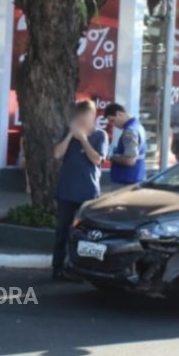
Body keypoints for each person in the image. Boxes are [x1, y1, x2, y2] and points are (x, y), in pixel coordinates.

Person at [52, 100, 108, 280]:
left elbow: (97, 159)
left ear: (93, 118)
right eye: (79, 119)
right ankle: (58, 267)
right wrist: (70, 136)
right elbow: (57, 154)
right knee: (62, 231)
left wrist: (84, 140)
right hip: (66, 191)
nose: (82, 122)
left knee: (85, 234)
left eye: (86, 119)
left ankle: (81, 268)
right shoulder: (67, 133)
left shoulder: (100, 136)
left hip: (88, 192)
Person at [104, 103, 147, 185]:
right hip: (135, 177)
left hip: (127, 180)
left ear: (119, 114)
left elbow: (130, 160)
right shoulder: (138, 126)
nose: (113, 125)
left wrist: (110, 156)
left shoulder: (129, 131)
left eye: (112, 120)